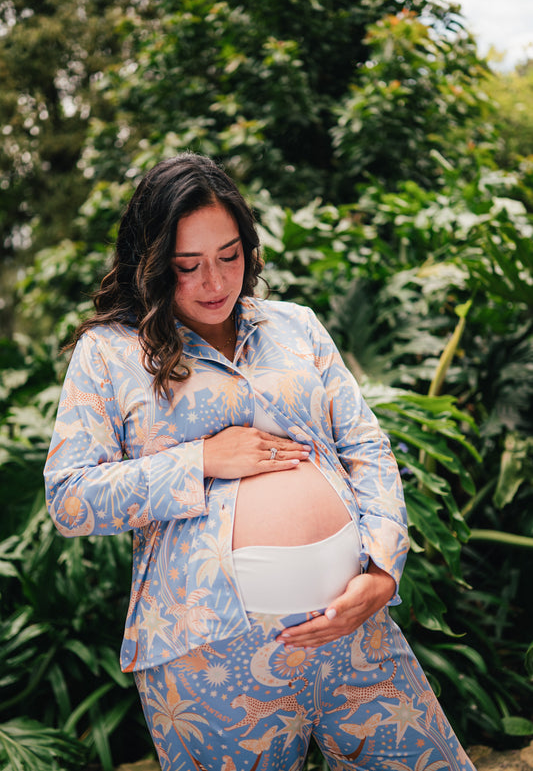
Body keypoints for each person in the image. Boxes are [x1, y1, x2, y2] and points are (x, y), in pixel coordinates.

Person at [44, 153, 477, 771]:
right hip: (210, 655)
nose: (215, 282)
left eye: (230, 256)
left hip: (354, 626)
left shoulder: (296, 327)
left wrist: (384, 568)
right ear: (150, 264)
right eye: (187, 266)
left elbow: (366, 447)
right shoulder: (109, 354)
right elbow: (70, 498)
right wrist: (200, 459)